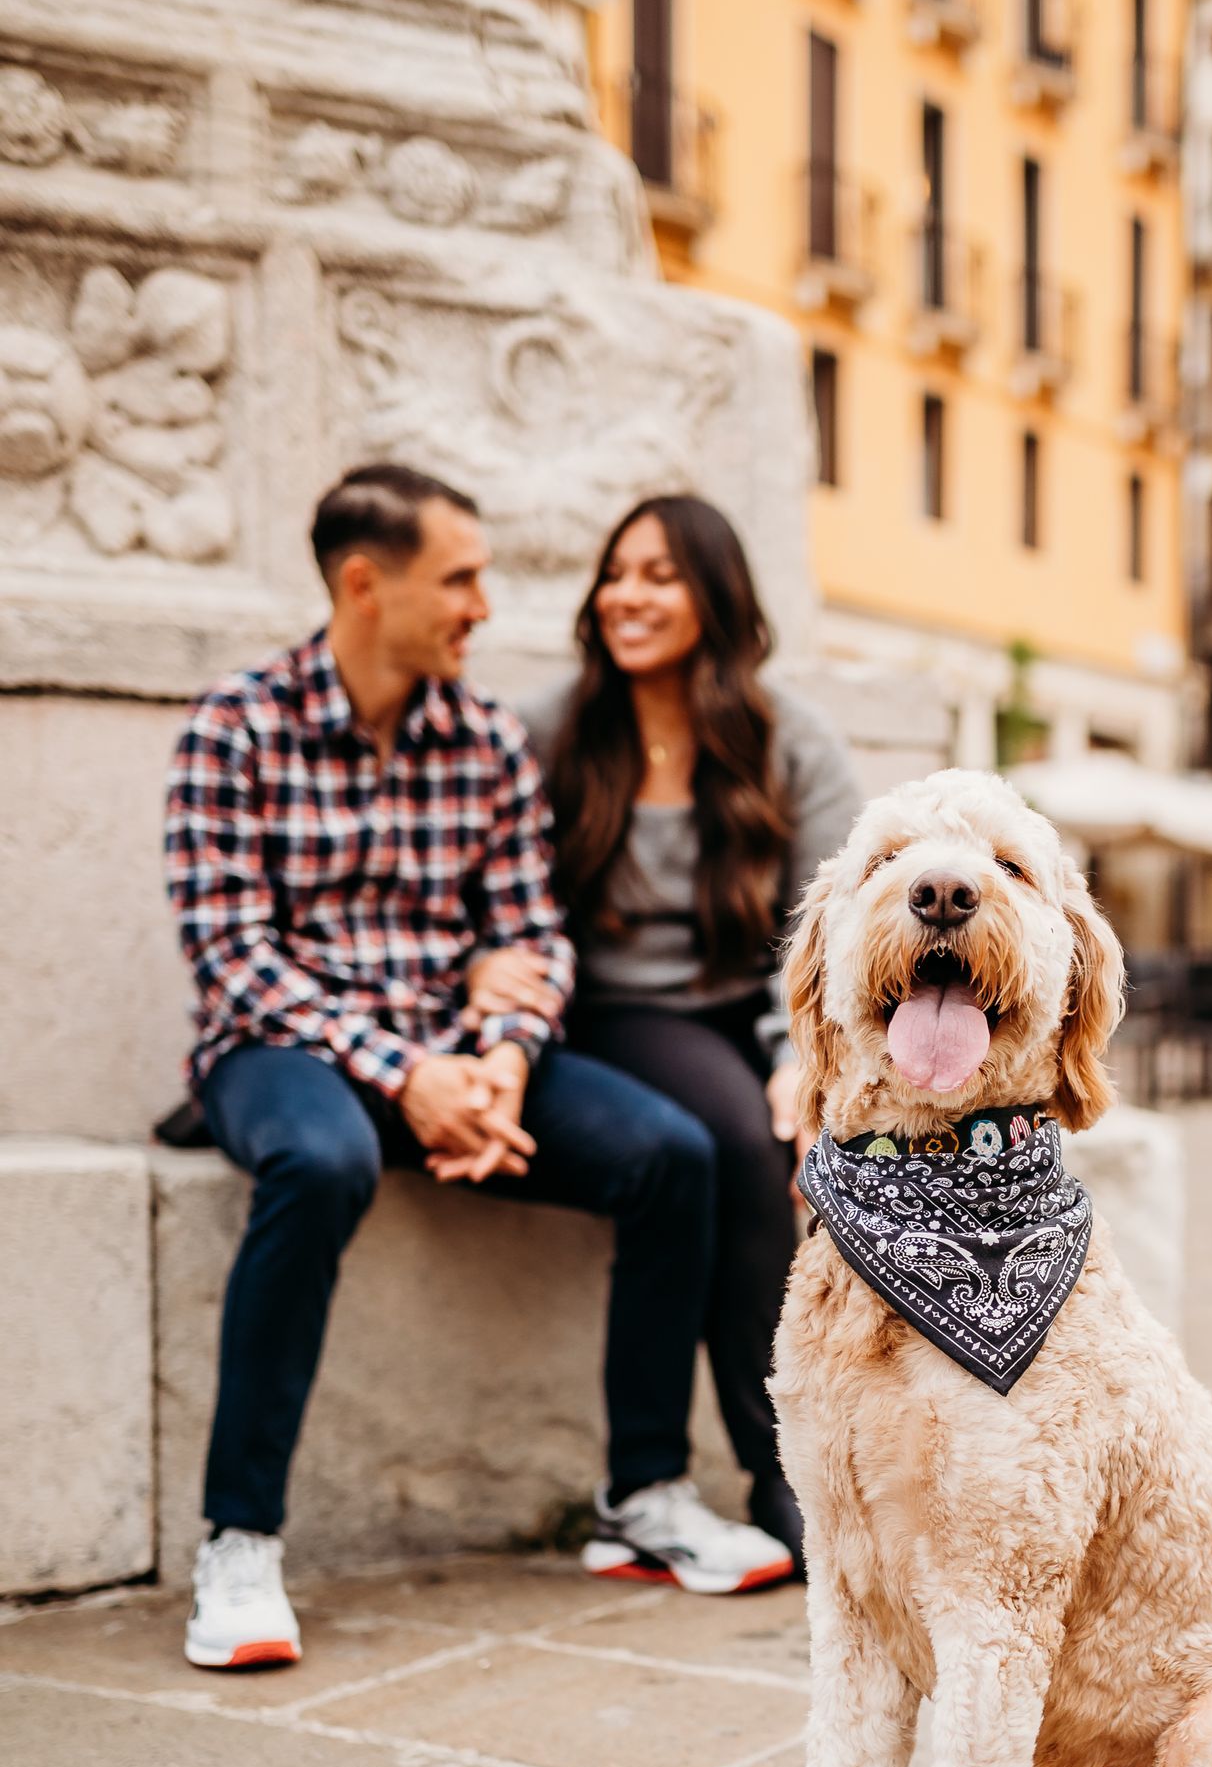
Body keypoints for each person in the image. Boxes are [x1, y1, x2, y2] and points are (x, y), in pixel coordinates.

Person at [166, 463, 795, 1673]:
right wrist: (407, 1073)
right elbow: (233, 962)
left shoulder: (487, 737)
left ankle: (643, 1495)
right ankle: (239, 1538)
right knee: (319, 1157)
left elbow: (531, 933)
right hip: (289, 1053)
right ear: (366, 583)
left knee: (671, 1152)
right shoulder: (232, 728)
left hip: (462, 1063)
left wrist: (503, 1061)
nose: (483, 606)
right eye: (460, 579)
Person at [467, 493, 860, 1577]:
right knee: (740, 1147)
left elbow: (826, 926)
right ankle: (781, 1477)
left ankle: (826, 1469)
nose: (628, 596)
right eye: (617, 573)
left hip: (742, 1014)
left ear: (716, 598)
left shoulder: (787, 740)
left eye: (660, 576)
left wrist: (801, 1061)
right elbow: (474, 887)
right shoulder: (549, 729)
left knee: (789, 1141)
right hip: (598, 1016)